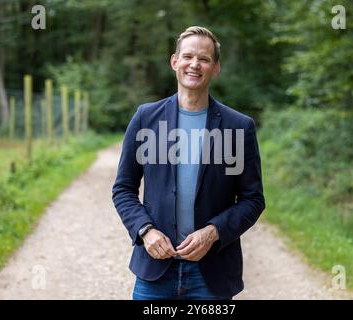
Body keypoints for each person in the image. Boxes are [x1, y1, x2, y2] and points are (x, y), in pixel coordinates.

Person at [112, 26, 265, 300]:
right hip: (155, 269)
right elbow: (123, 189)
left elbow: (253, 199)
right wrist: (145, 231)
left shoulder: (239, 127)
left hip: (212, 273)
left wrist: (213, 232)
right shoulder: (146, 118)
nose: (195, 64)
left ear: (215, 67)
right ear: (174, 61)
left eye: (204, 59)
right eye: (188, 56)